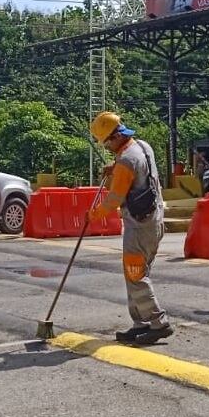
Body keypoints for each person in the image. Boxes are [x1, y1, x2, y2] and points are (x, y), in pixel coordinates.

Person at [88, 111, 171, 344]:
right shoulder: (142, 146)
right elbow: (137, 171)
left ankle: (158, 323)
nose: (106, 147)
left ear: (114, 137)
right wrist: (113, 168)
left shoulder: (126, 161)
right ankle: (141, 322)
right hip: (154, 221)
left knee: (136, 275)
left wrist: (93, 214)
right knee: (135, 273)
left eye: (106, 143)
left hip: (139, 226)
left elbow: (114, 199)